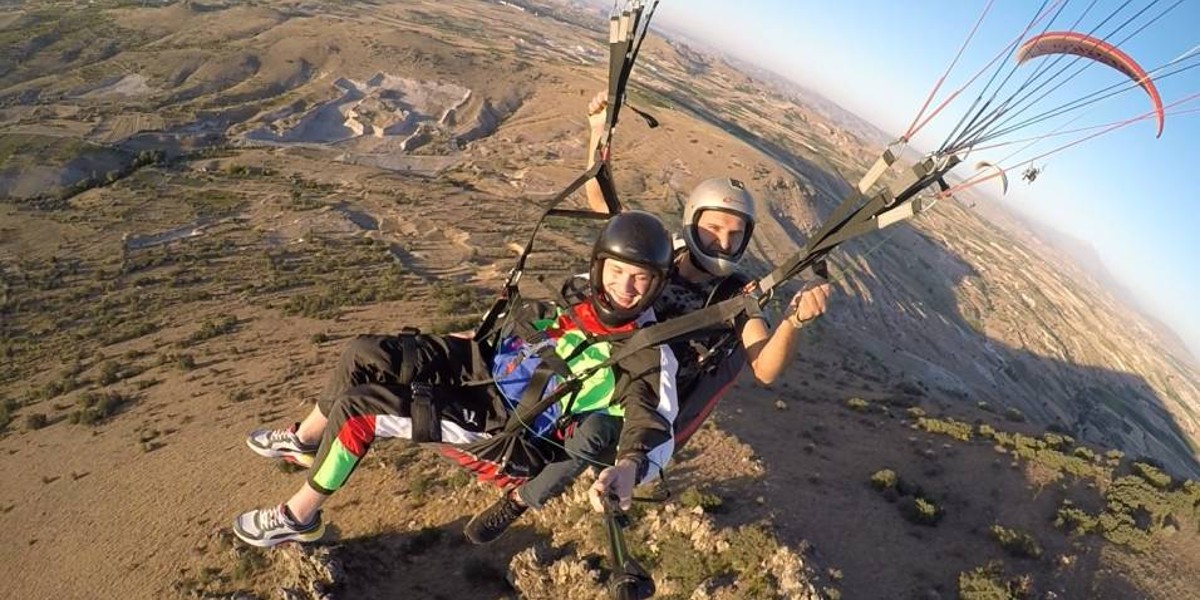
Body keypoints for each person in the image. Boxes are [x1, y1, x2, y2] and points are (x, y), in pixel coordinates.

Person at [232, 211, 680, 547]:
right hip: (485, 366)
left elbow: (653, 425)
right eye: (616, 271)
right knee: (365, 353)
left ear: (656, 285)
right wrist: (470, 339)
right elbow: (527, 328)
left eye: (640, 278)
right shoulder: (577, 294)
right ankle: (307, 440)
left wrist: (629, 467)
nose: (625, 287)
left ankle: (298, 518)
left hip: (505, 427)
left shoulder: (647, 353)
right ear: (599, 266)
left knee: (360, 411)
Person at [581, 91, 832, 446]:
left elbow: (765, 369)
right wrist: (598, 130)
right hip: (598, 367)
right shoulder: (662, 251)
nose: (723, 242)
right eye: (713, 229)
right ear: (692, 222)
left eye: (735, 234)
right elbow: (604, 205)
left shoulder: (737, 295)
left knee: (586, 439)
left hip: (643, 406)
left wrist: (794, 321)